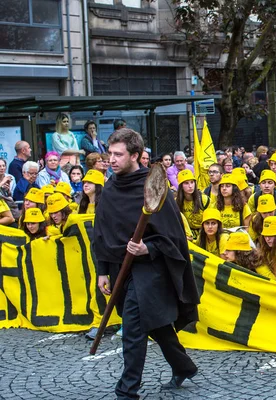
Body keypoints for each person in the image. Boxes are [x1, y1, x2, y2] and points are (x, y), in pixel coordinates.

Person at [93, 128, 199, 398]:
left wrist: (147, 247)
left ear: (136, 156)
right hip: (120, 267)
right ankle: (183, 366)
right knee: (153, 323)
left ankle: (127, 390)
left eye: (118, 155)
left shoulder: (154, 189)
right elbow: (101, 232)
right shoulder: (109, 188)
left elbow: (173, 237)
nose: (112, 160)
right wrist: (102, 271)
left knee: (133, 328)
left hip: (149, 269)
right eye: (110, 154)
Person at [176, 169, 210, 239]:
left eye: (192, 182)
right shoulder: (176, 202)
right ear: (181, 186)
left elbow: (211, 221)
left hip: (204, 234)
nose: (190, 186)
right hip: (186, 235)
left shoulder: (204, 200)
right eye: (186, 183)